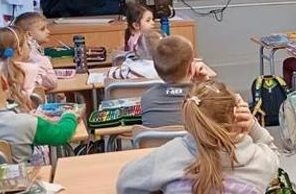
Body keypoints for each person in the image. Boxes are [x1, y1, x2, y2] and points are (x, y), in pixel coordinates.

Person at [118, 81, 279, 194]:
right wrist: (253, 126)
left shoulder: (170, 155)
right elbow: (274, 155)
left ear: (190, 118)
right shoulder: (258, 160)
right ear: (236, 115)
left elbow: (125, 183)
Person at [0, 56, 78, 163]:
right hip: (19, 187)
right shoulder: (25, 123)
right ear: (4, 82)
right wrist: (69, 116)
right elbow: (60, 135)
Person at [141, 35, 218, 127]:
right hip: (194, 141)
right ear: (191, 67)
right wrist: (205, 80)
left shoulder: (147, 97)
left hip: (158, 142)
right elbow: (225, 107)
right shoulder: (206, 96)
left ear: (156, 68)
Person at [0, 26, 51, 112]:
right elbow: (51, 83)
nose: (29, 47)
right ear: (20, 49)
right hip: (27, 117)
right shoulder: (32, 69)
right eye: (27, 44)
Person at [12, 12, 59, 86]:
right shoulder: (32, 54)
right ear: (29, 34)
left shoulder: (31, 50)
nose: (48, 32)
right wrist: (45, 61)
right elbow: (52, 82)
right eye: (42, 29)